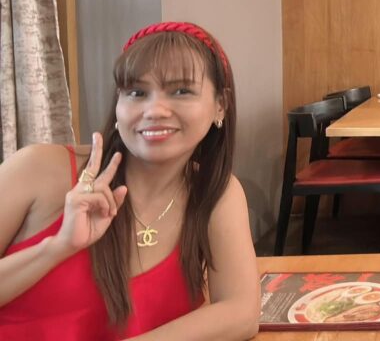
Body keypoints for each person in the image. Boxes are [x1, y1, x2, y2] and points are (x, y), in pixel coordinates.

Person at [0, 21, 259, 340]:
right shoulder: (38, 168)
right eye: (137, 92)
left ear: (221, 105)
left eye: (181, 91)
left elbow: (241, 312)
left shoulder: (216, 193)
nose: (155, 110)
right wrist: (57, 247)